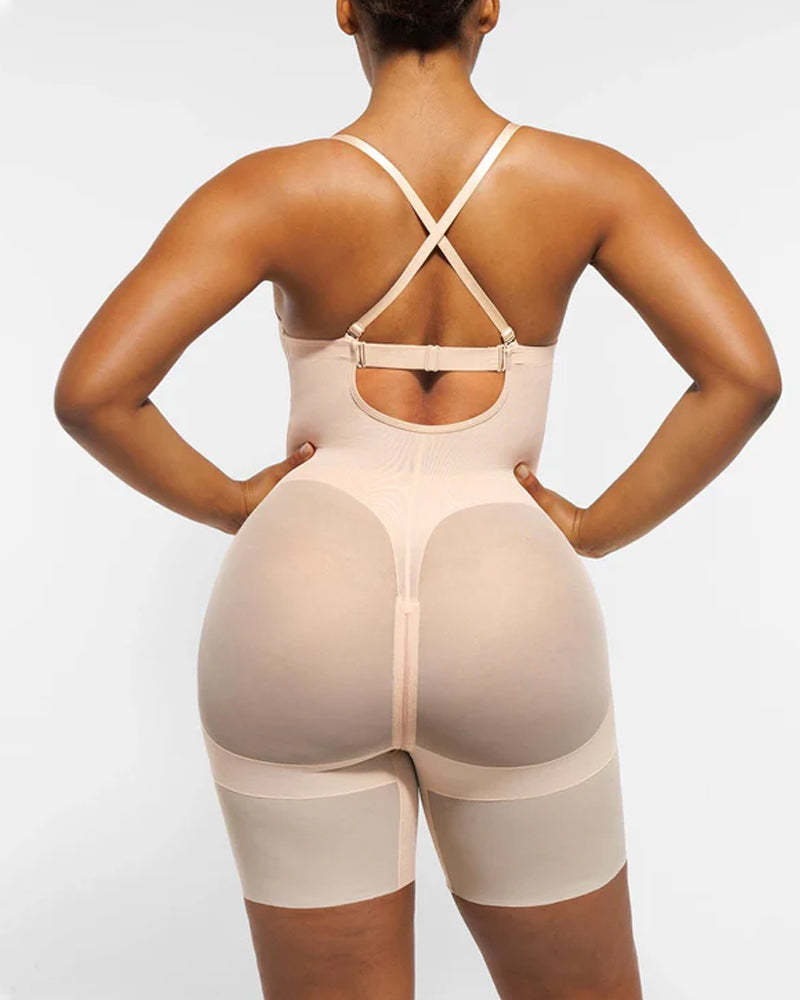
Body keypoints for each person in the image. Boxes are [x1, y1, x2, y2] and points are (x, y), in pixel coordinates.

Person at [53, 2, 781, 997]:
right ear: (488, 8)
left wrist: (233, 503)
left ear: (346, 9)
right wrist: (592, 527)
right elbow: (744, 377)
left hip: (299, 603)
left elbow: (94, 394)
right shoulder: (588, 184)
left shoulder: (271, 190)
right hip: (508, 600)